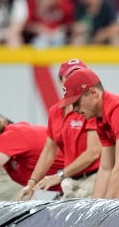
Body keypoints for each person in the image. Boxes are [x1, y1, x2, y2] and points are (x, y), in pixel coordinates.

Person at [18, 62, 101, 201]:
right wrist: (32, 182)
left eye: (80, 75)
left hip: (95, 179)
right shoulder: (56, 111)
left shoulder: (91, 107)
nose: (75, 80)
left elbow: (93, 152)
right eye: (70, 76)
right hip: (70, 181)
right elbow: (49, 151)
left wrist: (60, 175)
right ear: (61, 81)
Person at [57, 67, 119, 199]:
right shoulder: (100, 119)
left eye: (76, 102)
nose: (75, 109)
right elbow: (106, 169)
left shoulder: (118, 110)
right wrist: (95, 207)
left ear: (94, 93)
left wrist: (105, 211)